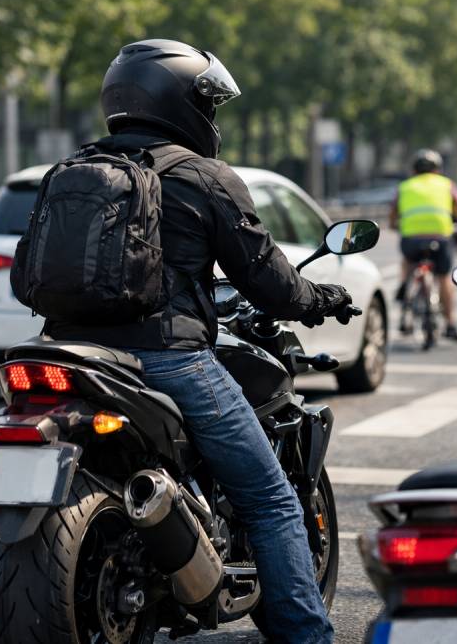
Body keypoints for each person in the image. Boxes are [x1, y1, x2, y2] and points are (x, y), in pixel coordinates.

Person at [45, 39, 345, 643]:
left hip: (64, 352)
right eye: (208, 102)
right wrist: (322, 300)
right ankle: (308, 636)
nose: (213, 117)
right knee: (271, 500)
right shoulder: (203, 176)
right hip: (166, 357)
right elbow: (270, 282)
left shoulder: (72, 170)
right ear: (181, 102)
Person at [390, 148, 457, 342]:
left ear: (414, 170)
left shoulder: (404, 187)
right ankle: (451, 323)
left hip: (411, 239)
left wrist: (396, 226)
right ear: (438, 169)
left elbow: (393, 216)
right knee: (444, 277)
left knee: (408, 262)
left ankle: (405, 289)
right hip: (441, 238)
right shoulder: (446, 185)